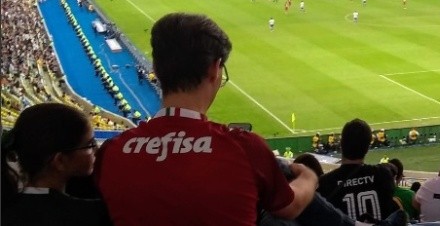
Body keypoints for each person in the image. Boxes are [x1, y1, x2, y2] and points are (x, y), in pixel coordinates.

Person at [94, 12, 318, 225]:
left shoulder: (112, 152)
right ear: (215, 69)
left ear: (156, 69)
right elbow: (291, 206)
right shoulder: (244, 147)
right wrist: (308, 176)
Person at [1, 103, 111, 226]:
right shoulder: (89, 215)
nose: (96, 150)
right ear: (60, 161)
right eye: (90, 144)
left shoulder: (8, 208)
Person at [318, 118, 401, 222]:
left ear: (341, 145)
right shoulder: (383, 176)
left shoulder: (325, 183)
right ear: (367, 148)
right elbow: (393, 168)